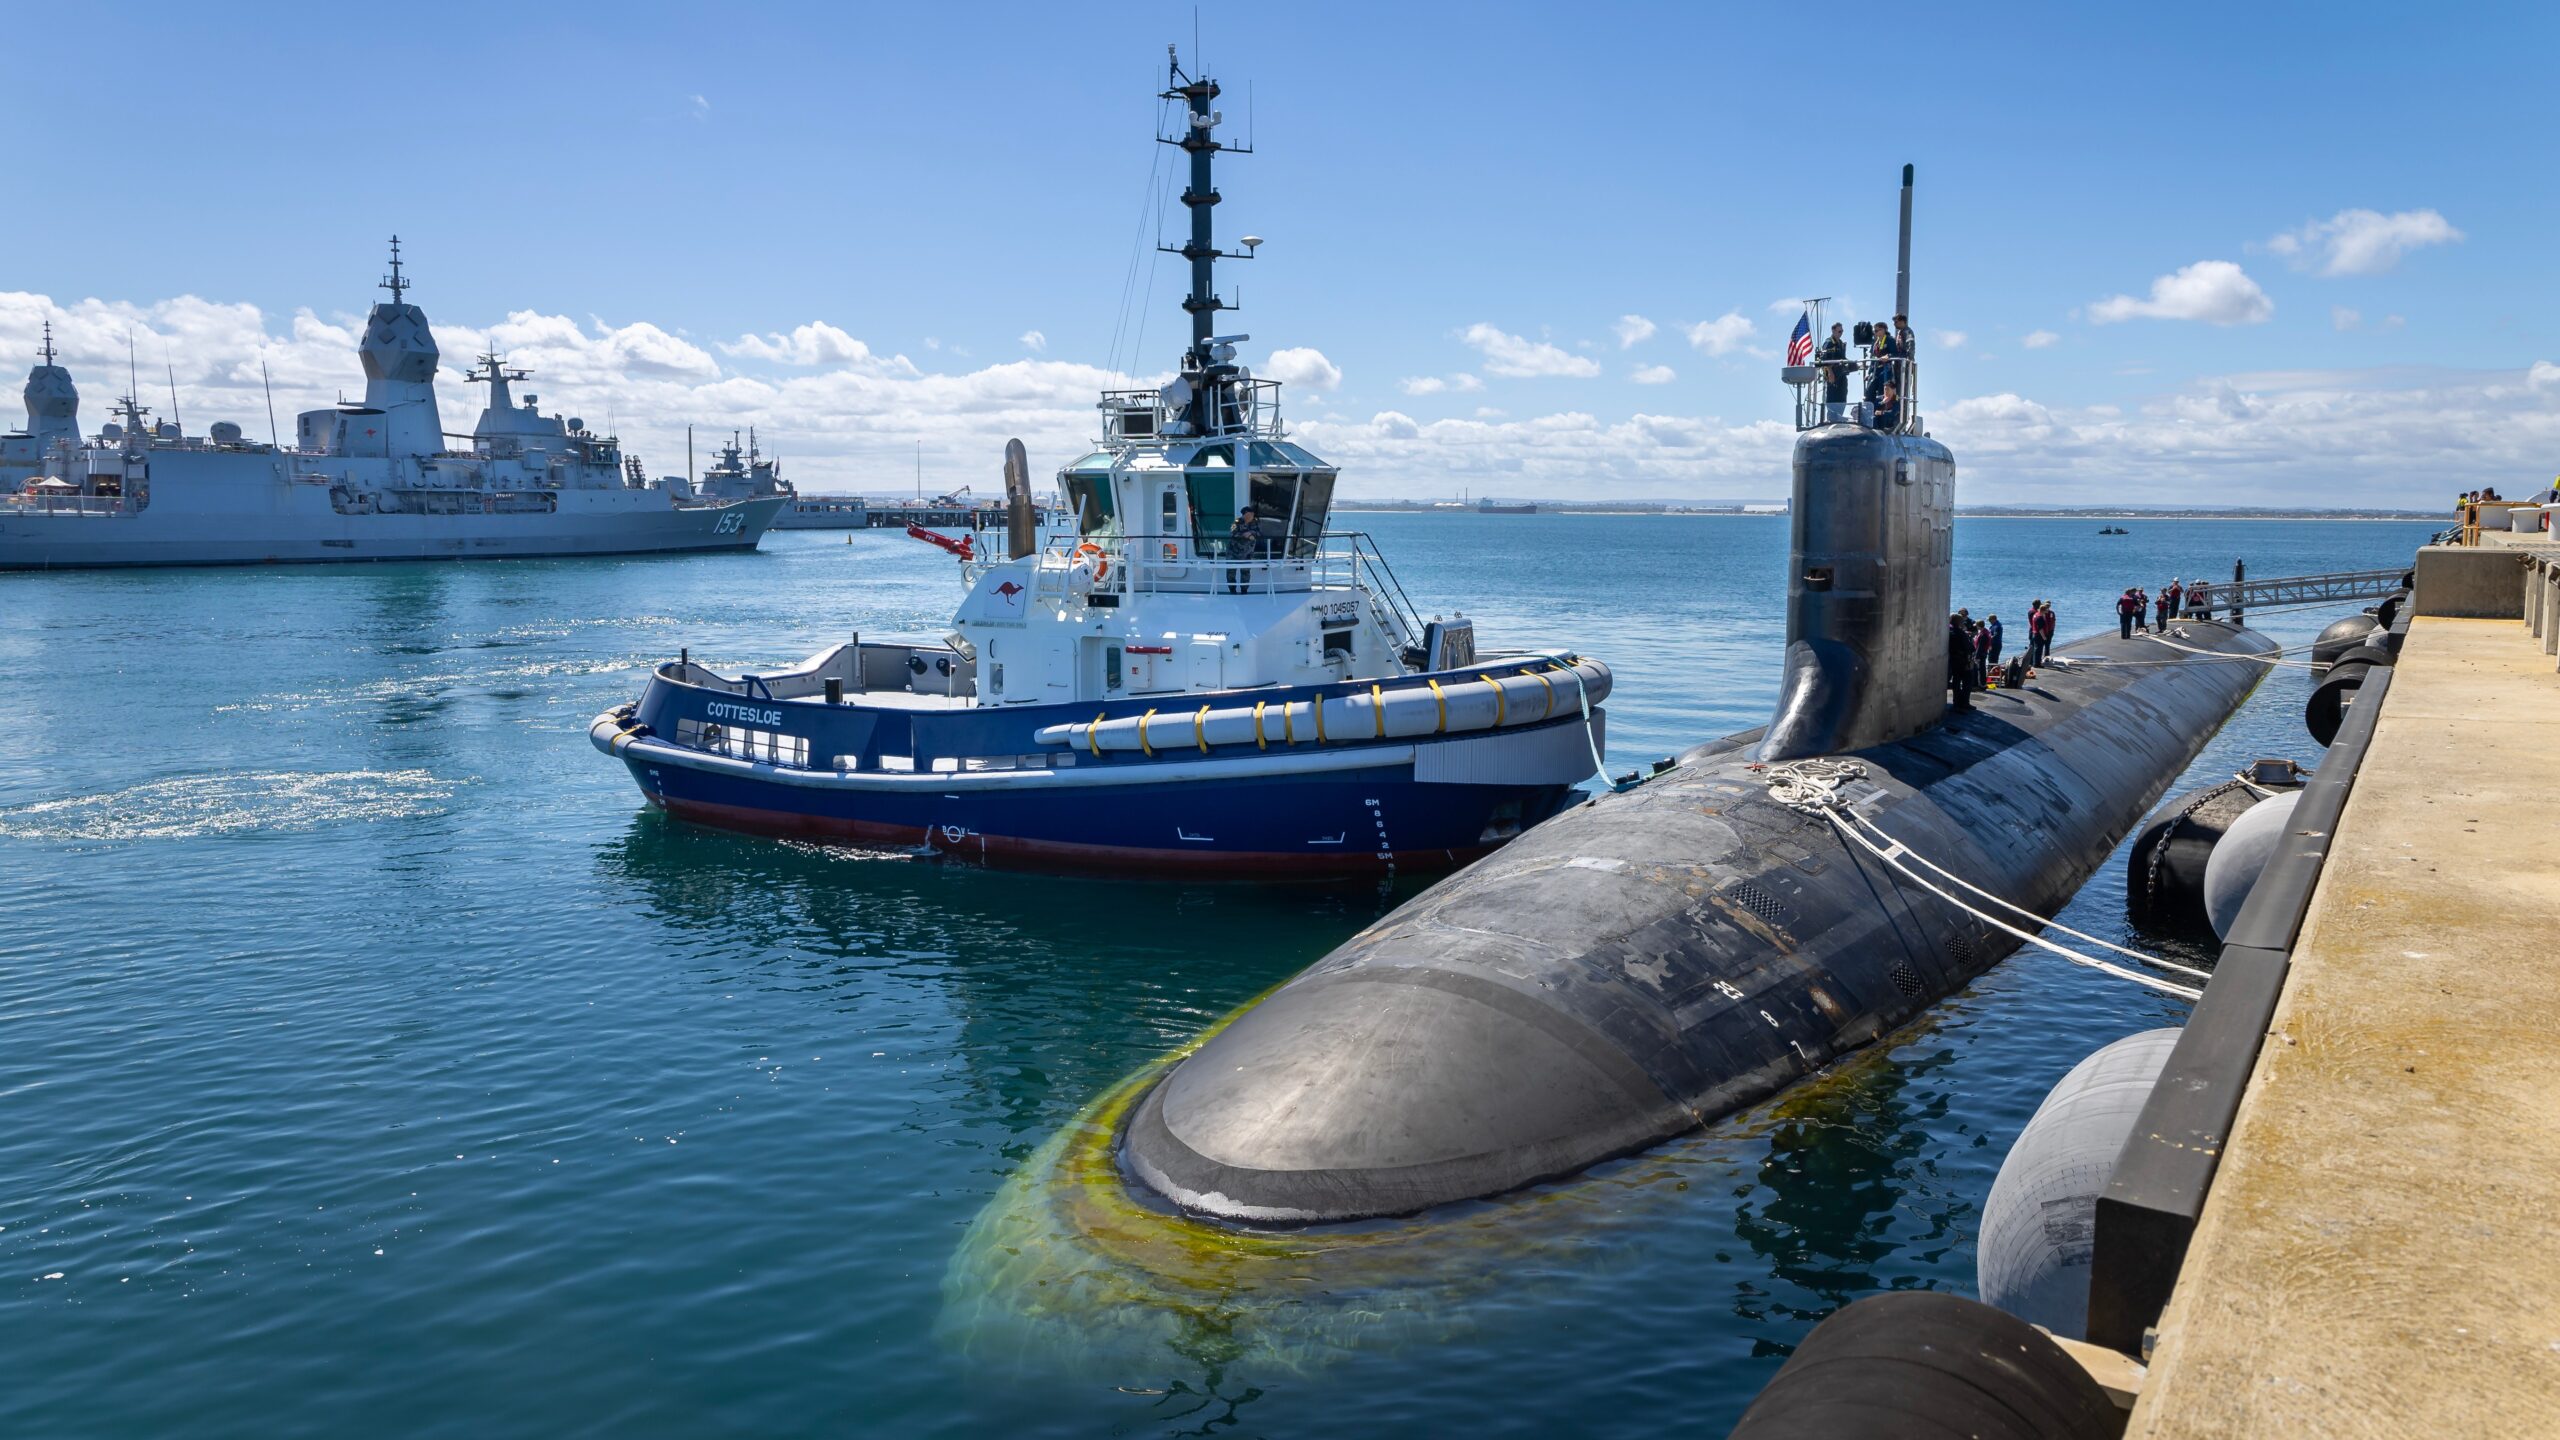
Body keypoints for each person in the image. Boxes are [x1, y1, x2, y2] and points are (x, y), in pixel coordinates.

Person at [1225, 505, 1261, 593]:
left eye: (1252, 514)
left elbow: (1259, 533)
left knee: (1245, 572)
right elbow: (1232, 532)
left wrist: (1251, 533)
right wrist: (1244, 535)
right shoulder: (1236, 522)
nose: (1252, 516)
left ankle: (1244, 590)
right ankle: (1232, 590)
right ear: (1245, 514)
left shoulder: (1255, 522)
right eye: (1250, 514)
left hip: (1247, 553)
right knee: (1231, 572)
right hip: (1233, 552)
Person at [1814, 323, 1849, 406]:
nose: (1841, 333)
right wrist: (1830, 372)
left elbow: (1842, 358)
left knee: (1843, 394)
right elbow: (1824, 359)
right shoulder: (1829, 342)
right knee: (1833, 395)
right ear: (1833, 331)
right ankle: (1831, 416)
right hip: (1832, 373)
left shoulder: (1840, 343)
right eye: (1839, 331)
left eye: (1842, 331)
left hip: (1841, 373)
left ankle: (1840, 415)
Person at [1947, 612, 1975, 709]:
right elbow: (1970, 648)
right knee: (1967, 682)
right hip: (1962, 661)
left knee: (1956, 682)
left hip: (1952, 660)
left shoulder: (1949, 631)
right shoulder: (1961, 633)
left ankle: (1956, 703)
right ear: (1959, 622)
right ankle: (1964, 703)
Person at [1972, 612, 1995, 689]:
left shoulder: (1983, 635)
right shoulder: (1985, 632)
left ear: (1979, 626)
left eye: (1977, 626)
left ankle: (1981, 684)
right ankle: (1983, 683)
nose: (1976, 627)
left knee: (1980, 670)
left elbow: (1980, 647)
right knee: (1982, 668)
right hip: (1983, 653)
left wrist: (1976, 656)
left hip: (1981, 654)